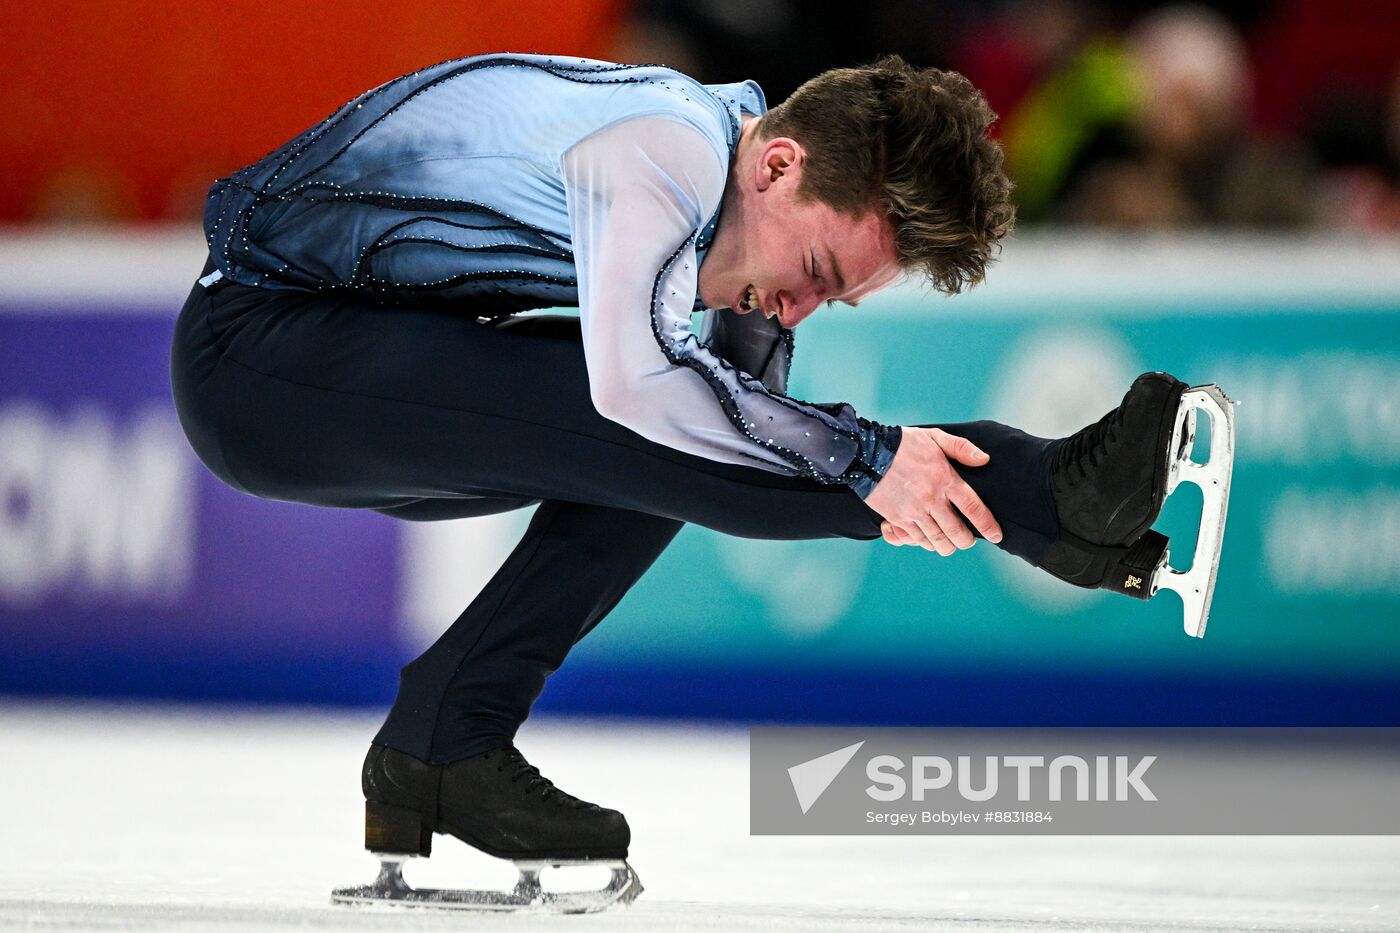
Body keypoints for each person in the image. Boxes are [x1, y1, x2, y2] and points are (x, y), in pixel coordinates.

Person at [170, 51, 1221, 907]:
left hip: (354, 359)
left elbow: (736, 430)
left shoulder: (739, 204)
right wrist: (875, 463)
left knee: (698, 432)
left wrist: (884, 475)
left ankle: (442, 740)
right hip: (256, 358)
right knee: (658, 410)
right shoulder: (664, 148)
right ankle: (1051, 498)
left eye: (833, 301)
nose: (796, 309)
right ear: (777, 167)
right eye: (816, 274)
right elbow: (638, 387)